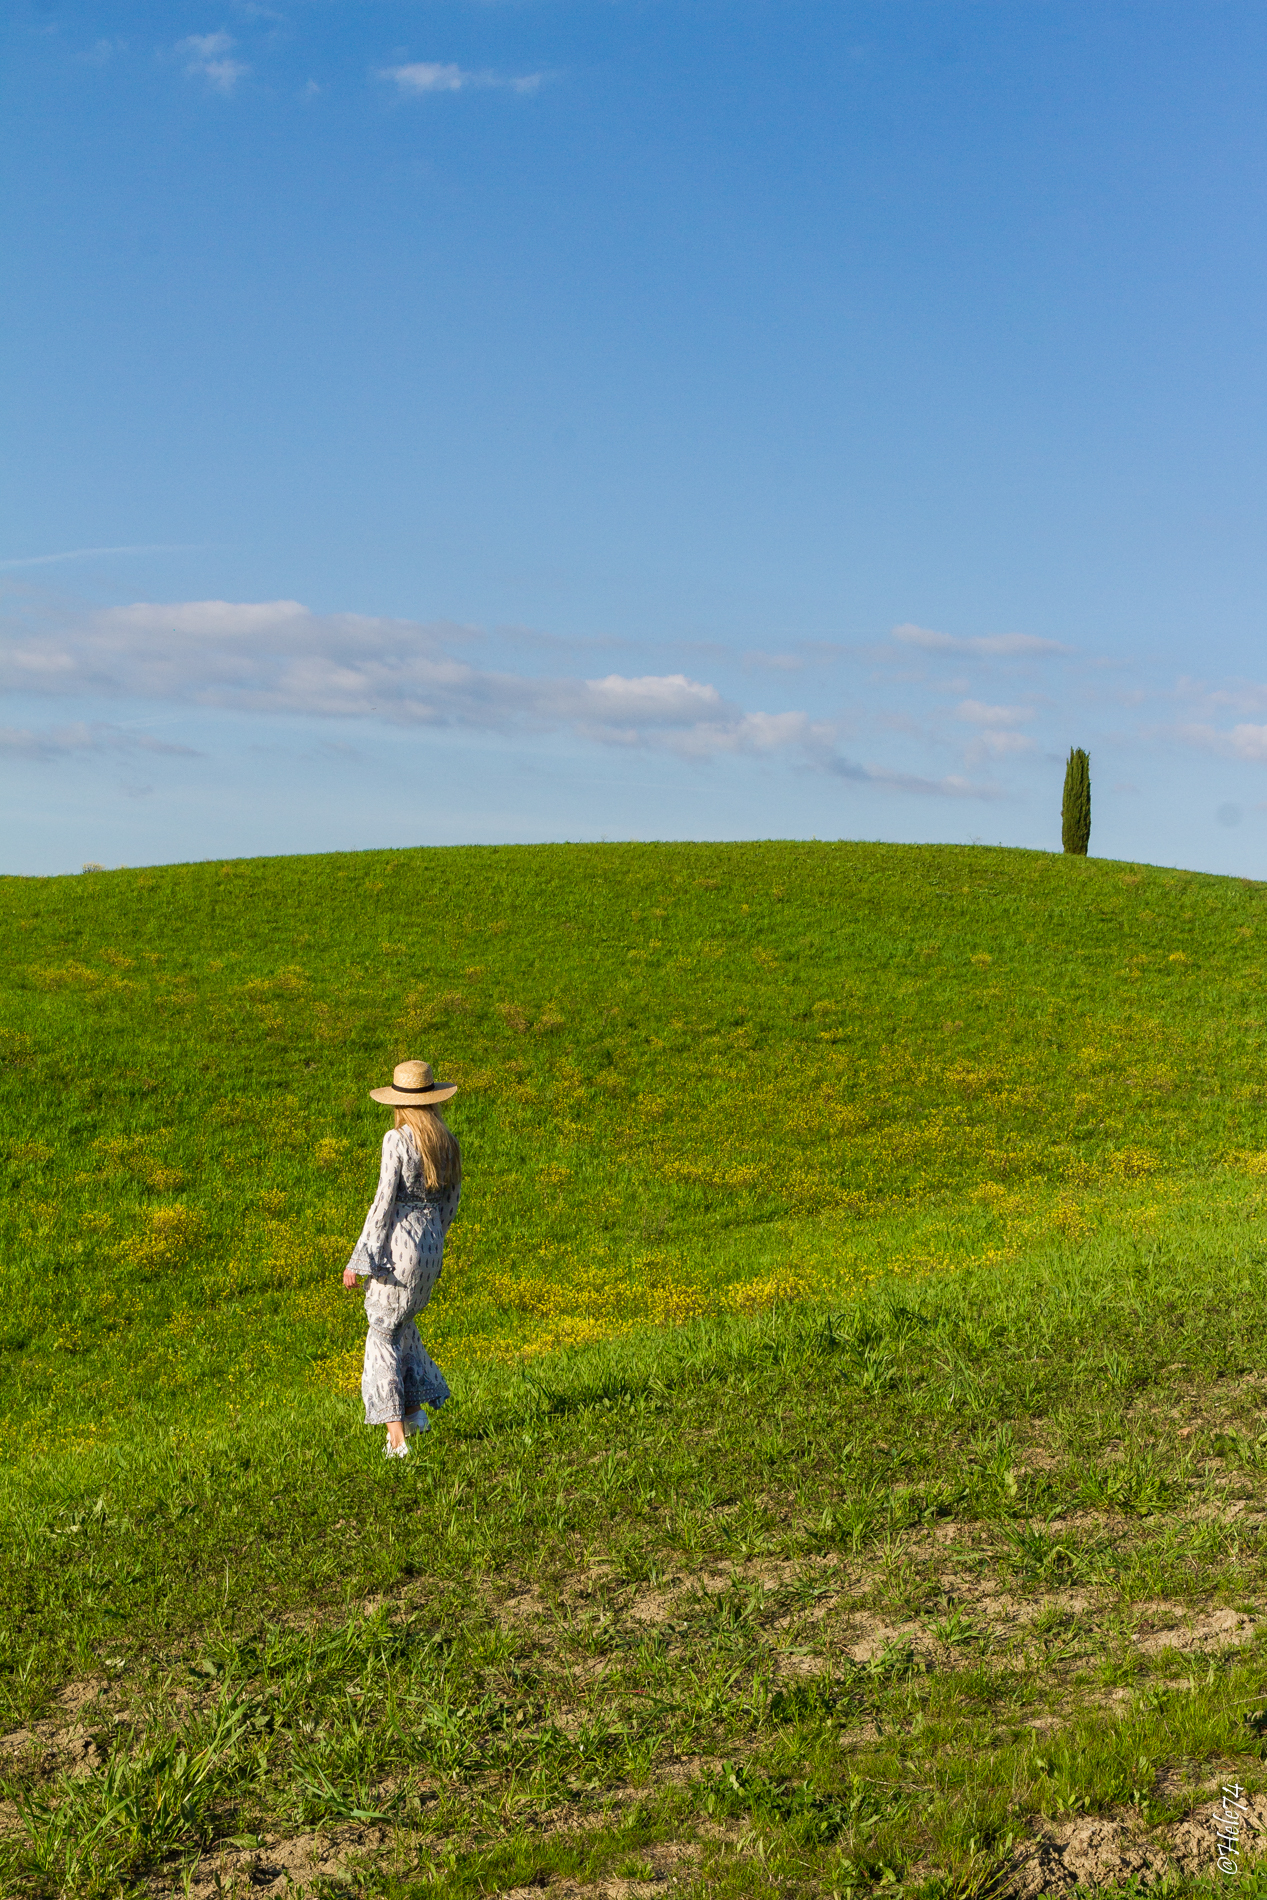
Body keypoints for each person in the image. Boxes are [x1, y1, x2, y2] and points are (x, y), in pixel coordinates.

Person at [342, 1058, 462, 1459]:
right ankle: (413, 1412)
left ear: (399, 1103)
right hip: (430, 1248)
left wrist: (360, 1259)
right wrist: (433, 1240)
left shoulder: (396, 1140)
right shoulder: (446, 1142)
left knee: (380, 1333)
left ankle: (396, 1439)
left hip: (399, 1247)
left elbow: (383, 1202)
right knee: (402, 1324)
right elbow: (451, 1202)